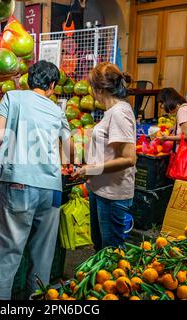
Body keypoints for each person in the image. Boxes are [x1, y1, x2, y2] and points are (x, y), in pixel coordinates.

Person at [0, 60, 71, 300]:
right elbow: (70, 150)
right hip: (52, 189)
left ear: (29, 80)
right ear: (52, 85)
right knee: (43, 257)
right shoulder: (57, 110)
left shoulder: (12, 97)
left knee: (5, 257)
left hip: (18, 185)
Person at [73, 62, 137, 252]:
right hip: (101, 188)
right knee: (100, 245)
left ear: (99, 89)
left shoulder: (119, 113)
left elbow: (128, 158)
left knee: (110, 251)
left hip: (112, 193)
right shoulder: (113, 112)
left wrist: (89, 169)